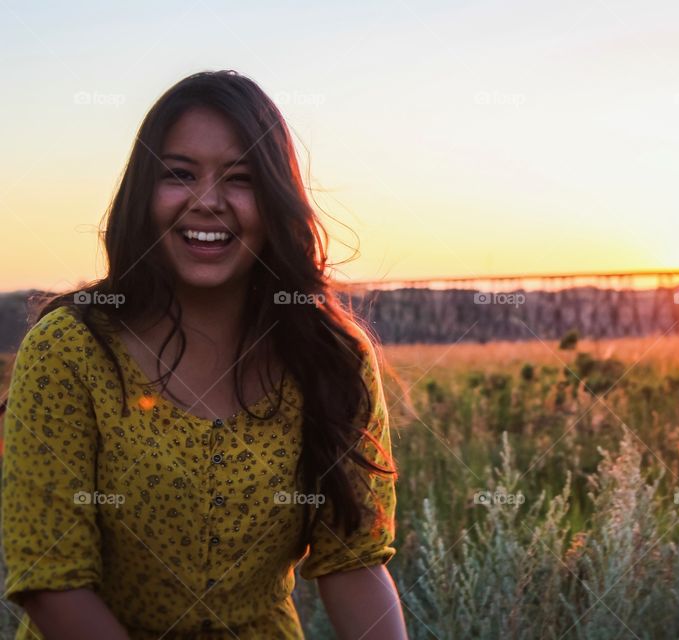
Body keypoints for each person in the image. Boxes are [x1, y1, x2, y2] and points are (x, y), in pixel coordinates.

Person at [0, 70, 408, 639]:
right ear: (143, 193)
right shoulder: (68, 351)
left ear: (274, 199)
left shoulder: (331, 357)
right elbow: (52, 580)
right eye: (179, 174)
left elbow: (353, 563)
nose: (208, 201)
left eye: (240, 178)